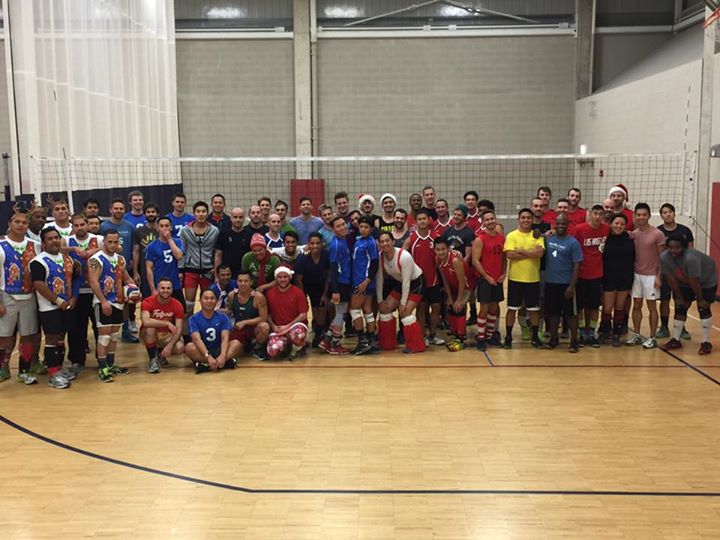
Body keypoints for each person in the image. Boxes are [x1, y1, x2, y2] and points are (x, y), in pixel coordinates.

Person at [31, 227, 82, 388]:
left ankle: (58, 369)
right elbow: (39, 284)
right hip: (49, 308)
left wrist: (74, 297)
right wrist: (58, 301)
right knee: (52, 339)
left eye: (56, 237)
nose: (54, 241)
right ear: (43, 243)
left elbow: (76, 278)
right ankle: (53, 375)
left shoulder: (68, 259)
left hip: (66, 306)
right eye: (50, 239)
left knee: (61, 337)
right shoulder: (38, 262)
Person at [88, 229, 137, 382]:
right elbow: (93, 282)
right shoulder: (96, 259)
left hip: (118, 302)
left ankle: (111, 364)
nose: (113, 245)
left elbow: (126, 278)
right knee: (104, 337)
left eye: (116, 242)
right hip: (103, 302)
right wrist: (103, 301)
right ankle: (102, 367)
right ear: (104, 241)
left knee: (114, 336)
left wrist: (135, 290)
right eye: (110, 242)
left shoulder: (120, 259)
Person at [0, 212, 41, 385]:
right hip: (6, 295)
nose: (21, 225)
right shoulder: (1, 245)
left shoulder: (35, 246)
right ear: (10, 223)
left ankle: (24, 371)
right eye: (17, 221)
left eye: (24, 222)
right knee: (4, 336)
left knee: (28, 335)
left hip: (29, 296)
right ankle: (3, 367)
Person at [661, 234, 717, 355]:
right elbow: (670, 279)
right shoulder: (664, 257)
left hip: (706, 280)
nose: (673, 251)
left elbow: (694, 281)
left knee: (703, 307)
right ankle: (676, 340)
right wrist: (679, 297)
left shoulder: (691, 258)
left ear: (684, 247)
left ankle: (706, 342)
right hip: (684, 280)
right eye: (670, 248)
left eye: (677, 248)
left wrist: (700, 299)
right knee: (680, 307)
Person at [375, 231, 427, 353]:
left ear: (393, 242)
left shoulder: (404, 256)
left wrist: (403, 303)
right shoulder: (380, 257)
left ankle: (416, 345)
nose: (385, 244)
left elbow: (407, 282)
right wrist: (380, 301)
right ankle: (387, 343)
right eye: (382, 242)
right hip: (402, 282)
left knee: (405, 312)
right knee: (385, 308)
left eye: (387, 241)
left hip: (416, 283)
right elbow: (379, 280)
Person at [66, 214, 103, 372]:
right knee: (76, 329)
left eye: (82, 224)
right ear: (72, 227)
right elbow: (54, 248)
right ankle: (77, 360)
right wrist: (73, 249)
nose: (80, 228)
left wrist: (94, 250)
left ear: (87, 225)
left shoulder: (98, 239)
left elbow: (117, 248)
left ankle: (102, 359)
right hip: (77, 292)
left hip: (97, 291)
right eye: (76, 225)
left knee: (100, 328)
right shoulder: (67, 241)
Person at [503, 208, 545, 349]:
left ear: (532, 220)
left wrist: (521, 251)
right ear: (519, 219)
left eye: (528, 218)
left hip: (533, 279)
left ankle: (535, 338)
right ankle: (508, 338)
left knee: (533, 310)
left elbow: (539, 254)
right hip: (515, 279)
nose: (526, 220)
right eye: (523, 217)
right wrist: (530, 253)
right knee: (512, 309)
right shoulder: (512, 235)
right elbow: (510, 255)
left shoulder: (537, 235)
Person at [627, 203, 666, 349]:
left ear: (649, 215)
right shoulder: (633, 234)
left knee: (651, 307)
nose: (641, 217)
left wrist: (659, 276)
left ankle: (652, 337)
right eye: (638, 215)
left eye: (644, 215)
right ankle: (637, 335)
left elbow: (663, 258)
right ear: (635, 216)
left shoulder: (658, 234)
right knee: (636, 305)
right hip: (637, 275)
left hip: (651, 276)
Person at [542, 214, 583, 352]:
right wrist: (540, 233)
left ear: (568, 225)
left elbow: (577, 265)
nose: (560, 226)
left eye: (563, 224)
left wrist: (572, 286)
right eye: (558, 223)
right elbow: (535, 236)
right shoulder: (548, 239)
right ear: (555, 224)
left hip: (566, 284)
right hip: (550, 282)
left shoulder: (573, 243)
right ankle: (554, 339)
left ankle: (574, 341)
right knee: (553, 313)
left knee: (571, 314)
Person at [99, 198, 137, 343]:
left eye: (121, 208)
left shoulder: (130, 226)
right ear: (110, 210)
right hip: (106, 271)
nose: (119, 211)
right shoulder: (103, 226)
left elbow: (134, 249)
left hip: (123, 269)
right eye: (116, 208)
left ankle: (126, 330)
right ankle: (106, 331)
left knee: (125, 300)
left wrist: (134, 271)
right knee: (107, 300)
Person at [403, 210, 443, 346]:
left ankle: (433, 335)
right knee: (420, 308)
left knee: (436, 307)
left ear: (429, 220)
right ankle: (423, 336)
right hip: (418, 281)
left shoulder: (436, 237)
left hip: (434, 280)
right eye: (419, 219)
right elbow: (402, 256)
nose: (422, 221)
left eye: (424, 219)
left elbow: (444, 253)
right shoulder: (411, 239)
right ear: (416, 222)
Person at [656, 203, 694, 340]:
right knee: (664, 300)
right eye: (665, 212)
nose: (668, 214)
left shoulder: (685, 230)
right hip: (666, 272)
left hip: (681, 273)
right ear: (661, 216)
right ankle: (664, 327)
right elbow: (657, 254)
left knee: (680, 299)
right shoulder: (658, 232)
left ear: (674, 213)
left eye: (670, 212)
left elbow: (691, 251)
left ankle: (681, 327)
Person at [572, 204, 609, 347]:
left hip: (597, 275)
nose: (597, 217)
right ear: (590, 214)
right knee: (580, 307)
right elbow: (570, 245)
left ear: (604, 216)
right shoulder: (579, 229)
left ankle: (592, 333)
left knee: (594, 307)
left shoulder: (606, 229)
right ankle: (582, 333)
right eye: (595, 213)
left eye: (600, 214)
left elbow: (620, 232)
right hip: (581, 274)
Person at [471, 209, 506, 350]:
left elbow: (504, 258)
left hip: (498, 279)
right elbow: (475, 261)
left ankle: (490, 336)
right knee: (484, 309)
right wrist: (486, 276)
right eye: (487, 219)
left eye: (492, 219)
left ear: (495, 219)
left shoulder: (501, 238)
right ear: (483, 222)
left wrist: (504, 273)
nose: (490, 221)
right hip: (485, 279)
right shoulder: (480, 239)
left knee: (494, 308)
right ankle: (481, 338)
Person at [600, 214, 635, 347]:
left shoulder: (630, 238)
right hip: (608, 276)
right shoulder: (605, 238)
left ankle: (616, 333)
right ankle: (604, 331)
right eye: (616, 223)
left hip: (625, 277)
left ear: (625, 226)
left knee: (620, 307)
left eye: (622, 224)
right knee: (607, 307)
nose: (619, 226)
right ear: (610, 224)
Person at [319, 216, 352, 355]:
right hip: (340, 283)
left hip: (344, 282)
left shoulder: (343, 240)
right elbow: (333, 269)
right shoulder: (336, 245)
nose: (342, 227)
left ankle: (326, 340)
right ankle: (335, 345)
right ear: (333, 229)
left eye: (343, 224)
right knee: (341, 313)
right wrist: (336, 290)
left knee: (341, 313)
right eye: (338, 226)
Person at [435, 237, 475, 350]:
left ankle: (461, 338)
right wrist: (449, 297)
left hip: (466, 285)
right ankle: (454, 333)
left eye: (443, 249)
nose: (441, 252)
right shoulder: (437, 259)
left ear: (448, 248)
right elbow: (445, 279)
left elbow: (462, 281)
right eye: (438, 250)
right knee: (450, 307)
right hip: (453, 285)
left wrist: (459, 299)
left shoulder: (455, 260)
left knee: (459, 308)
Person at [180, 201, 219, 314]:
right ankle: (189, 325)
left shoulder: (214, 231)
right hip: (191, 270)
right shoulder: (185, 230)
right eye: (198, 211)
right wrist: (181, 270)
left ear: (207, 213)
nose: (201, 214)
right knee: (189, 303)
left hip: (208, 271)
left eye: (203, 211)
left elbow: (217, 252)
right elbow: (182, 251)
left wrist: (216, 268)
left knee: (208, 302)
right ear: (194, 214)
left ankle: (206, 323)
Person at [140, 277, 185, 373]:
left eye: (168, 288)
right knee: (150, 328)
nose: (166, 290)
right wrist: (166, 323)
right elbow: (146, 322)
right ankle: (152, 359)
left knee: (180, 347)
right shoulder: (147, 301)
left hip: (166, 335)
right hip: (148, 334)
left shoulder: (177, 304)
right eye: (163, 288)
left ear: (172, 290)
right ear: (157, 289)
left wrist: (170, 346)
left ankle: (160, 355)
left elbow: (179, 329)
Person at [265, 266, 309, 361]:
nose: (282, 280)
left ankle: (297, 349)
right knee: (273, 351)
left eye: (285, 277)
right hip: (279, 329)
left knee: (298, 334)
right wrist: (273, 326)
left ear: (289, 277)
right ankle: (287, 346)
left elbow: (303, 314)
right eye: (280, 277)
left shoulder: (298, 292)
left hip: (294, 327)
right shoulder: (269, 293)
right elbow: (267, 314)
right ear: (276, 278)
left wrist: (288, 327)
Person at [349, 216, 379, 355]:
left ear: (371, 229)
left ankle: (362, 342)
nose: (363, 229)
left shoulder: (371, 243)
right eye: (361, 226)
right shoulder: (359, 240)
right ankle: (372, 341)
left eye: (366, 227)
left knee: (354, 310)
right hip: (360, 280)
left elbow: (374, 264)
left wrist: (366, 282)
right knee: (367, 310)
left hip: (362, 282)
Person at [294, 232, 330, 347]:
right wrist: (302, 297)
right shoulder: (302, 258)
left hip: (320, 285)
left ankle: (319, 333)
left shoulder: (326, 255)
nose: (315, 246)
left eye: (318, 243)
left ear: (322, 244)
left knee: (322, 306)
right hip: (305, 285)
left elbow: (329, 276)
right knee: (307, 309)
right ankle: (305, 333)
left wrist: (325, 294)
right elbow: (298, 279)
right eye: (312, 243)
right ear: (308, 244)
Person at [186, 289, 234, 373]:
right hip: (203, 351)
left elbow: (225, 338)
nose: (209, 301)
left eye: (212, 298)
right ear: (200, 301)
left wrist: (223, 355)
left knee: (236, 344)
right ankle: (222, 363)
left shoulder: (223, 317)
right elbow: (197, 340)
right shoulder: (193, 319)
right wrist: (208, 357)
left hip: (219, 349)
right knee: (189, 347)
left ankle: (206, 365)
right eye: (206, 298)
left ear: (216, 301)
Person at [227, 272, 270, 360]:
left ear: (251, 282)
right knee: (235, 350)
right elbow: (229, 311)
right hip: (239, 329)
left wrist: (244, 322)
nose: (243, 284)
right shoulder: (231, 295)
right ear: (236, 282)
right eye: (240, 281)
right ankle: (247, 346)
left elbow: (263, 318)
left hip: (253, 328)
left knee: (264, 326)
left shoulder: (258, 297)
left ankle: (258, 347)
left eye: (246, 281)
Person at [145, 217, 185, 307]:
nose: (164, 228)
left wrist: (169, 239)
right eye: (161, 226)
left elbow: (179, 256)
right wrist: (153, 289)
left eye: (167, 226)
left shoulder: (178, 242)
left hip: (175, 284)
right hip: (159, 285)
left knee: (181, 310)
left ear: (171, 227)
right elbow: (149, 268)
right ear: (157, 228)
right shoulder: (151, 246)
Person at [132, 202, 159, 299]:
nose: (150, 214)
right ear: (144, 214)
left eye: (153, 212)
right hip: (144, 271)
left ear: (158, 214)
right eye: (148, 212)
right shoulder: (138, 231)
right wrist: (135, 272)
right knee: (147, 299)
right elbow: (136, 251)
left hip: (160, 270)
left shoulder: (162, 230)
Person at [214, 207, 249, 279]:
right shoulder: (223, 234)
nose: (238, 220)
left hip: (243, 275)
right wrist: (216, 276)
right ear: (231, 218)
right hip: (226, 275)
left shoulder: (249, 234)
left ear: (244, 218)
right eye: (235, 217)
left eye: (240, 217)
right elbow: (218, 255)